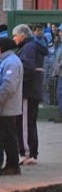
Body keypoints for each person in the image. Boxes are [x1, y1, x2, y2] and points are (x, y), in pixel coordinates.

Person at [13, 24, 48, 165]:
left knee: (25, 123)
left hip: (28, 91)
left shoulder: (27, 48)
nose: (14, 38)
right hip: (32, 90)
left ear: (23, 35)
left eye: (15, 35)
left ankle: (27, 154)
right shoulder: (32, 46)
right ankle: (31, 152)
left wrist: (17, 82)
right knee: (30, 122)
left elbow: (27, 68)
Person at [0, 37, 23, 176]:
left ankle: (13, 166)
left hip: (7, 108)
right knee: (5, 137)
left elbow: (8, 86)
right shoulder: (6, 61)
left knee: (9, 137)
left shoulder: (11, 63)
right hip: (4, 107)